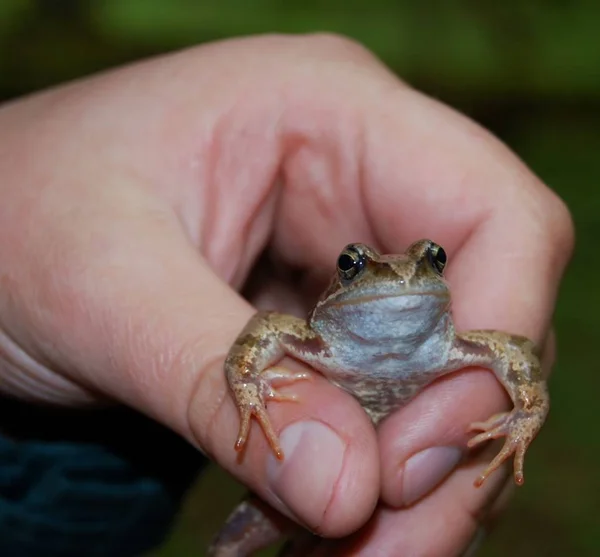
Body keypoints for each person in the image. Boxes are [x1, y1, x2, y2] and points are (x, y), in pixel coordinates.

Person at [0, 33, 573, 556]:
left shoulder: (457, 348)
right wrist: (239, 391)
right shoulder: (314, 341)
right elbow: (267, 325)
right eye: (356, 266)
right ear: (339, 281)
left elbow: (518, 352)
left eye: (433, 263)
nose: (400, 277)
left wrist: (525, 418)